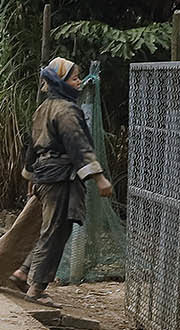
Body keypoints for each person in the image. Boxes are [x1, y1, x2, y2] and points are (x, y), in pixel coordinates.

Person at [12, 57, 109, 301]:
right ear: (61, 81)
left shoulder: (43, 108)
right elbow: (78, 145)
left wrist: (30, 178)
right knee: (55, 232)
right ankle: (37, 288)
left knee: (48, 230)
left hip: (44, 177)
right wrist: (99, 178)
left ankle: (24, 272)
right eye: (75, 78)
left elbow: (31, 149)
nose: (79, 83)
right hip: (61, 178)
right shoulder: (66, 110)